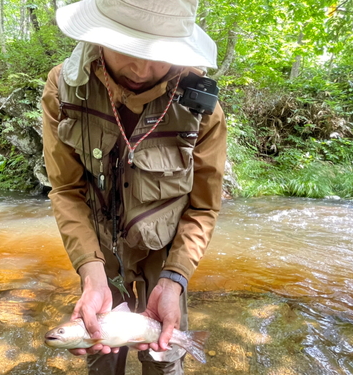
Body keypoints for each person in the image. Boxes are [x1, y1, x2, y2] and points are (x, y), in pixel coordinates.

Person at [41, 0, 227, 373]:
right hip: (99, 251)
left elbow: (204, 207)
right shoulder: (62, 90)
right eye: (129, 48)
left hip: (167, 254)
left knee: (164, 354)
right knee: (100, 353)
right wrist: (91, 272)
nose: (142, 69)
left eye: (159, 54)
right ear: (99, 36)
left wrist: (174, 280)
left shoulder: (202, 110)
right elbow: (66, 190)